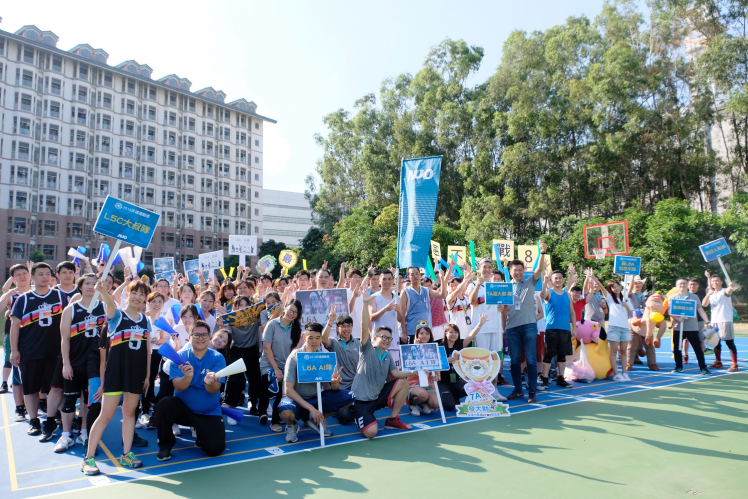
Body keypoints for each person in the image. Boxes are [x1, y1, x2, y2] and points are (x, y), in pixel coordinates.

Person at [81, 280, 151, 476]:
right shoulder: (117, 316)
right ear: (127, 294)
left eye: (142, 294)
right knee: (105, 415)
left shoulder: (145, 320)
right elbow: (109, 304)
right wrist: (103, 292)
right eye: (134, 293)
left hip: (136, 374)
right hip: (115, 373)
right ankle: (88, 458)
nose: (138, 297)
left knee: (129, 412)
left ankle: (126, 454)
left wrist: (147, 375)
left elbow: (147, 350)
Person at [155, 320, 227, 461]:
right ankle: (165, 445)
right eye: (196, 335)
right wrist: (187, 377)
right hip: (184, 411)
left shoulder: (218, 358)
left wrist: (208, 383)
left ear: (209, 337)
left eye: (204, 335)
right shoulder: (180, 357)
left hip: (209, 412)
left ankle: (201, 435)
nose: (200, 338)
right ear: (190, 337)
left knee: (215, 449)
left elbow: (214, 390)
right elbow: (179, 387)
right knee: (164, 404)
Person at [10, 262, 67, 439]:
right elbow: (15, 326)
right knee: (30, 388)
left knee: (55, 388)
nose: (44, 277)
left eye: (47, 274)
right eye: (40, 274)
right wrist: (14, 350)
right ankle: (33, 421)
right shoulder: (24, 299)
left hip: (55, 352)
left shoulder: (60, 296)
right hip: (30, 351)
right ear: (32, 277)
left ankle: (53, 419)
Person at [351, 285, 415, 439]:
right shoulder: (367, 348)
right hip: (360, 401)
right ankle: (360, 416)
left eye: (389, 338)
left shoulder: (387, 356)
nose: (386, 340)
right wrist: (365, 303)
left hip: (376, 397)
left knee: (403, 382)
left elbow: (396, 374)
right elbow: (364, 328)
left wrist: (414, 371)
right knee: (371, 433)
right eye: (383, 337)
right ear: (375, 338)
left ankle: (392, 419)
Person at [55, 273, 106, 452]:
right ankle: (66, 435)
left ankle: (84, 432)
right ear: (80, 287)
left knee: (88, 401)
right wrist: (66, 363)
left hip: (95, 364)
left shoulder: (104, 308)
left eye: (94, 284)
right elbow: (65, 339)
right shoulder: (71, 309)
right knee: (69, 400)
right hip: (75, 362)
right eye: (87, 284)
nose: (91, 287)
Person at [278, 322, 354, 442]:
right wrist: (312, 409)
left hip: (316, 397)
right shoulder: (295, 357)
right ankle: (292, 425)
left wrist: (334, 383)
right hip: (296, 400)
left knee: (350, 396)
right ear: (304, 338)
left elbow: (332, 390)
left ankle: (316, 421)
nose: (314, 341)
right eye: (310, 338)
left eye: (318, 338)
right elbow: (288, 390)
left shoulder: (325, 357)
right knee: (285, 412)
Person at [505, 242, 548, 404]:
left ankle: (532, 392)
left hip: (529, 325)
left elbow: (539, 269)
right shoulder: (505, 287)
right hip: (512, 328)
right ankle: (518, 390)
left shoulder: (530, 282)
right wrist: (503, 326)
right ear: (510, 271)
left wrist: (542, 252)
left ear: (524, 271)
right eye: (514, 270)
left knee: (531, 360)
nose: (517, 272)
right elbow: (502, 308)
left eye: (520, 269)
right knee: (515, 362)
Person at [258, 299, 303, 432]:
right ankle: (262, 412)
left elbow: (293, 352)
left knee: (281, 393)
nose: (291, 313)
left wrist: (300, 344)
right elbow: (267, 348)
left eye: (295, 312)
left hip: (286, 365)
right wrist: (276, 369)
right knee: (267, 387)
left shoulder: (296, 329)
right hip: (269, 363)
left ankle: (275, 421)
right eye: (290, 310)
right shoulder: (272, 324)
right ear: (284, 308)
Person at [1, 264, 31, 420]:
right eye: (18, 275)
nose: (22, 276)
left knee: (34, 374)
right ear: (13, 279)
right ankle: (19, 408)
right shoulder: (11, 295)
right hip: (17, 339)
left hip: (37, 339)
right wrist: (5, 297)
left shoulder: (38, 292)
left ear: (30, 275)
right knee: (18, 375)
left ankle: (36, 404)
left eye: (24, 273)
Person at [225, 295, 263, 421]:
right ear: (234, 307)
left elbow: (267, 317)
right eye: (240, 305)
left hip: (252, 351)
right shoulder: (230, 318)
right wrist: (223, 324)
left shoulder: (255, 317)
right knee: (237, 380)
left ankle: (253, 403)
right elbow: (227, 334)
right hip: (236, 351)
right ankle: (232, 406)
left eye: (246, 305)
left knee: (255, 379)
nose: (243, 307)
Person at [538, 270, 576, 390]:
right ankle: (545, 379)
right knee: (548, 356)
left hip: (565, 329)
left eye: (560, 278)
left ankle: (561, 378)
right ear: (552, 280)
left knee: (562, 356)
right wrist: (545, 281)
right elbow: (542, 294)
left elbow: (572, 312)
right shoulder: (549, 293)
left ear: (563, 279)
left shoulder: (567, 295)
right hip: (551, 329)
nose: (558, 280)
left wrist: (574, 328)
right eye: (555, 278)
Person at [321, 309, 358, 425]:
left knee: (364, 410)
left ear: (352, 327)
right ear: (337, 328)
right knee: (345, 417)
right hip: (339, 388)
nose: (346, 329)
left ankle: (349, 407)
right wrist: (330, 321)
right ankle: (339, 408)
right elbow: (323, 339)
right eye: (343, 326)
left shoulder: (358, 343)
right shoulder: (334, 342)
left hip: (356, 387)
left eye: (349, 326)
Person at [670, 278, 710, 374]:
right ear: (676, 285)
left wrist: (708, 322)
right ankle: (678, 366)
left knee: (697, 348)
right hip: (678, 327)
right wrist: (678, 318)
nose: (682, 285)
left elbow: (700, 310)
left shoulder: (694, 297)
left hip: (692, 327)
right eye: (680, 283)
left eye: (684, 283)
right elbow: (670, 311)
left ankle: (703, 368)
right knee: (677, 348)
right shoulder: (673, 297)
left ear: (687, 285)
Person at [702, 271, 740, 371]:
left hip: (725, 320)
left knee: (729, 342)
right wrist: (708, 280)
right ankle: (718, 362)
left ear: (721, 282)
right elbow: (704, 304)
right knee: (716, 343)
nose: (715, 283)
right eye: (713, 281)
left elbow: (729, 290)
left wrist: (731, 286)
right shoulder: (711, 293)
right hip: (714, 321)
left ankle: (735, 364)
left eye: (717, 281)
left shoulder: (724, 292)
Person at [468, 258, 508, 352]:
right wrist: (478, 285)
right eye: (484, 267)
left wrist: (501, 307)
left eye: (489, 267)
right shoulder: (473, 285)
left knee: (496, 358)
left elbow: (502, 308)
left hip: (496, 328)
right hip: (480, 328)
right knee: (482, 357)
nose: (487, 269)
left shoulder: (497, 286)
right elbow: (472, 301)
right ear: (479, 268)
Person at [400, 265, 448, 343]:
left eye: (417, 274)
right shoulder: (405, 291)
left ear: (420, 275)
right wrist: (404, 333)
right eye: (412, 274)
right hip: (412, 331)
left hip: (427, 331)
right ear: (408, 277)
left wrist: (442, 278)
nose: (415, 276)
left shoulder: (426, 290)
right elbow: (402, 314)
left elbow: (442, 294)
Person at [141, 292, 166, 426]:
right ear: (148, 303)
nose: (157, 304)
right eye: (154, 301)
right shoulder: (142, 318)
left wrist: (158, 340)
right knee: (142, 380)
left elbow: (163, 338)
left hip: (156, 353)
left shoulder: (162, 320)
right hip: (142, 353)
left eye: (160, 302)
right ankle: (142, 409)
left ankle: (146, 410)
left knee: (150, 380)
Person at [604, 278, 634, 381]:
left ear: (620, 286)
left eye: (617, 286)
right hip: (614, 328)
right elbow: (601, 288)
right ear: (611, 289)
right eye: (613, 287)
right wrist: (593, 277)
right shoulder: (609, 298)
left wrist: (626, 307)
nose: (616, 288)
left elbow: (631, 314)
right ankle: (616, 374)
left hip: (625, 328)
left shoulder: (626, 299)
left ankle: (624, 373)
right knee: (614, 351)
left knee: (624, 351)